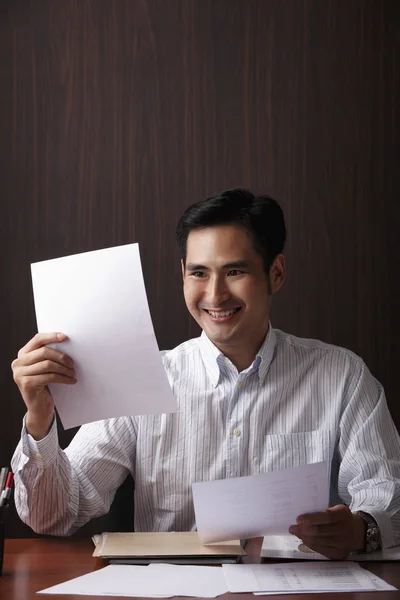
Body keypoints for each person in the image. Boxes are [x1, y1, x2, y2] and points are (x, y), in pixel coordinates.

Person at [11, 188, 400, 560]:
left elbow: (387, 497)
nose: (215, 296)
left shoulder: (341, 375)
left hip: (298, 589)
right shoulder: (144, 378)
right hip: (170, 592)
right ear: (182, 274)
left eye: (234, 271)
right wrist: (40, 419)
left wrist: (360, 529)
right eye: (199, 273)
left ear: (276, 273)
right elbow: (55, 515)